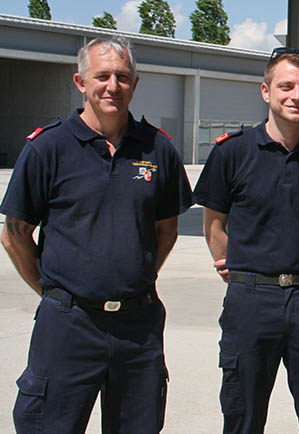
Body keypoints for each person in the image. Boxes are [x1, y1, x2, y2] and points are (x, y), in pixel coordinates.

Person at [1, 37, 193, 433]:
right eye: (101, 76)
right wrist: (56, 293)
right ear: (80, 82)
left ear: (135, 84)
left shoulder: (158, 149)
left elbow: (167, 229)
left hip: (138, 327)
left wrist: (133, 277)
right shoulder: (47, 148)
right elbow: (15, 233)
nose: (112, 86)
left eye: (122, 77)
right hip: (68, 326)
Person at [192, 47, 299, 434]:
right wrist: (238, 267)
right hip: (251, 302)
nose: (297, 95)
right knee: (243, 415)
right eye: (286, 86)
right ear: (266, 92)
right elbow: (214, 223)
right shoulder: (233, 152)